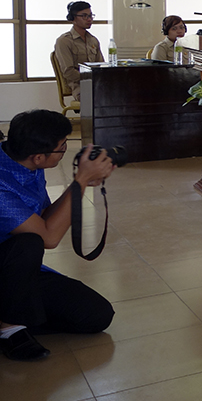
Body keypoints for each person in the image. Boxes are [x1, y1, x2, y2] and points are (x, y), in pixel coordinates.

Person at [0, 110, 115, 361]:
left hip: (18, 271)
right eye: (62, 147)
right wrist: (82, 179)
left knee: (96, 315)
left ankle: (15, 315)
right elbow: (47, 237)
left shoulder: (26, 162)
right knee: (28, 243)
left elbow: (44, 216)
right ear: (39, 157)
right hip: (9, 262)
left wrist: (79, 183)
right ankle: (10, 328)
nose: (65, 151)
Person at [53, 1, 104, 101]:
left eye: (90, 15)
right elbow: (68, 72)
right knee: (106, 97)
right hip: (81, 87)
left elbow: (101, 65)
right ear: (73, 18)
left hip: (98, 84)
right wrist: (91, 77)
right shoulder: (64, 41)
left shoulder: (93, 40)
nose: (89, 19)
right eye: (84, 16)